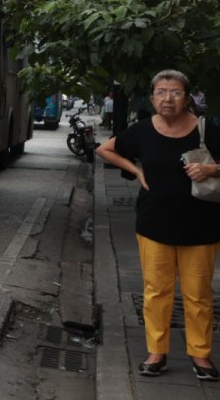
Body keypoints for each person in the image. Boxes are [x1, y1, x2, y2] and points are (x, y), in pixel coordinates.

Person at [96, 70, 220, 381]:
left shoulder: (207, 129)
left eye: (176, 92)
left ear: (187, 98)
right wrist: (136, 172)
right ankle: (157, 352)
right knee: (156, 292)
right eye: (162, 92)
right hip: (154, 224)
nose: (168, 98)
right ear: (152, 99)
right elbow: (105, 149)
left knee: (199, 294)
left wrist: (210, 169)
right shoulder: (141, 131)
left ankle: (201, 355)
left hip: (202, 226)